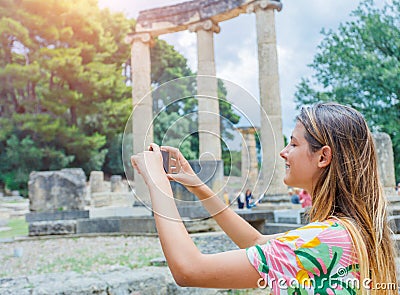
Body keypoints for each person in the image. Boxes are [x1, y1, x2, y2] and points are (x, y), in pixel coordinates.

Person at [130, 102, 397, 294]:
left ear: (323, 157)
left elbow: (189, 270)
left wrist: (156, 181)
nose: (283, 152)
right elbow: (255, 241)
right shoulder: (347, 231)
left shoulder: (324, 239)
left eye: (293, 144)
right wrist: (199, 187)